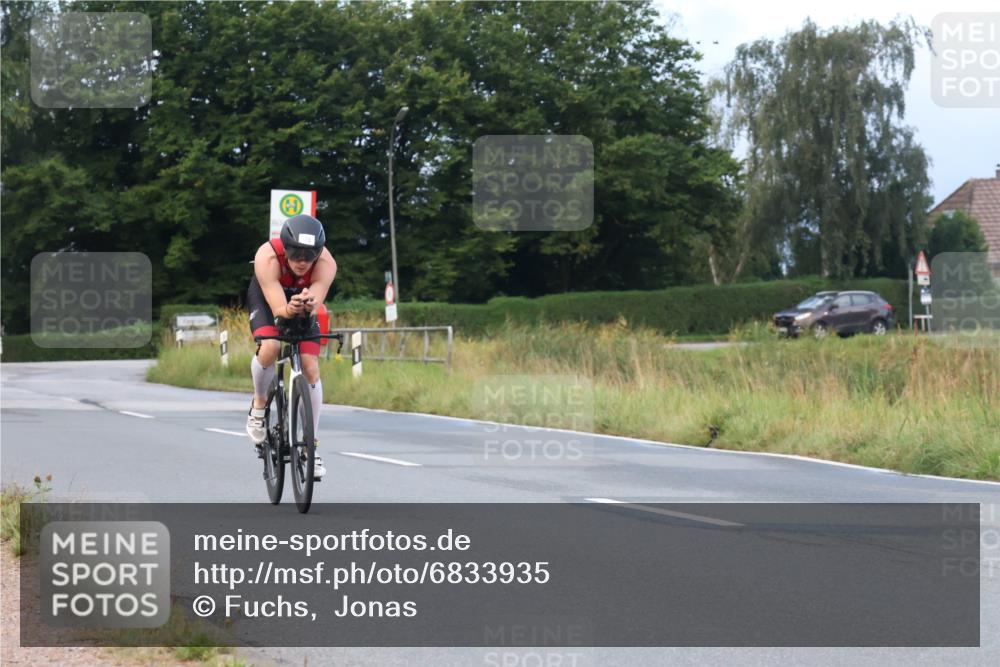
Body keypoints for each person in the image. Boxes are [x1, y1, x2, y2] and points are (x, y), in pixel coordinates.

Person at [245, 213, 336, 479]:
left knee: (310, 367)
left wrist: (307, 306)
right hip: (269, 297)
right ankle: (260, 403)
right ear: (285, 248)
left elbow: (314, 305)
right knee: (271, 347)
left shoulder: (327, 265)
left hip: (302, 299)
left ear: (318, 254)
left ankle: (311, 446)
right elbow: (278, 310)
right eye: (296, 255)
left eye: (309, 257)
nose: (302, 262)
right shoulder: (267, 258)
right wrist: (289, 308)